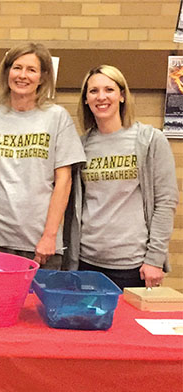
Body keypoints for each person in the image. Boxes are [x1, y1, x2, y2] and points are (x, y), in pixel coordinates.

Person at [0, 43, 85, 268]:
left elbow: (64, 182)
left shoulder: (57, 118)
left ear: (42, 77)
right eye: (17, 68)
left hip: (39, 242)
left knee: (36, 304)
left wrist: (49, 236)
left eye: (31, 70)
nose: (22, 75)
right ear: (7, 72)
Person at [65, 65, 177, 288]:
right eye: (93, 91)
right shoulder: (80, 146)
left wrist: (154, 259)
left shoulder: (150, 140)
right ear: (86, 99)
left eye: (109, 89)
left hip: (133, 265)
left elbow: (165, 203)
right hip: (87, 261)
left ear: (122, 95)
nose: (101, 97)